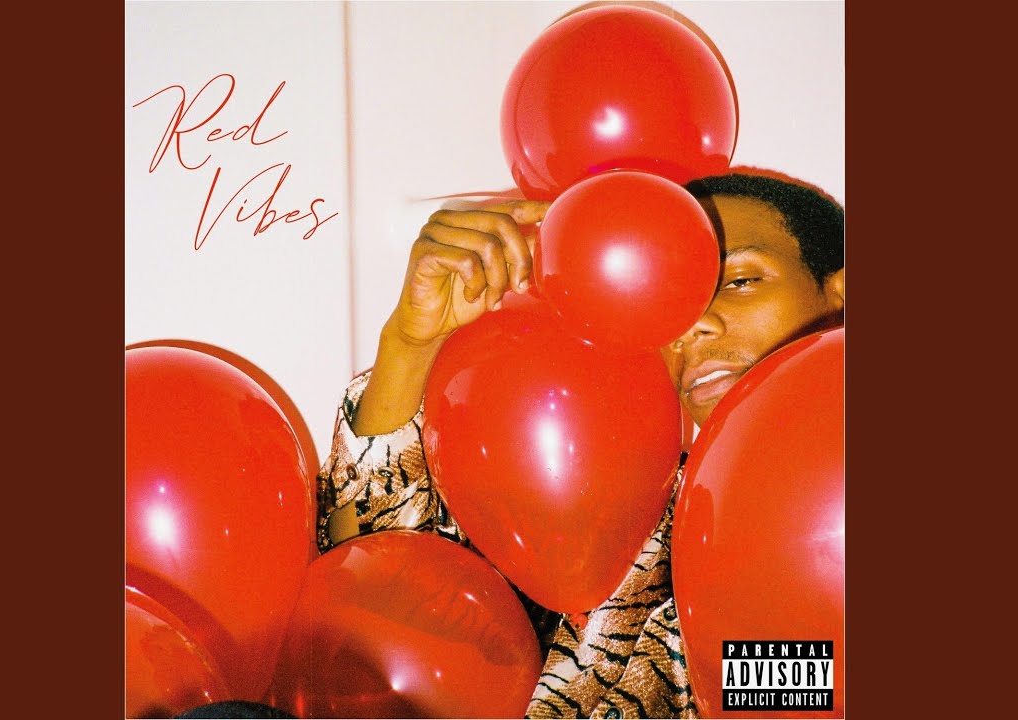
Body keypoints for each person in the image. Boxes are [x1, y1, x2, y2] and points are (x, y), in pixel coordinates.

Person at [314, 168, 845, 718]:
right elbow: (371, 585)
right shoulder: (619, 513)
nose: (693, 325)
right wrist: (409, 343)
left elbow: (801, 692)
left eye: (739, 281)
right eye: (670, 302)